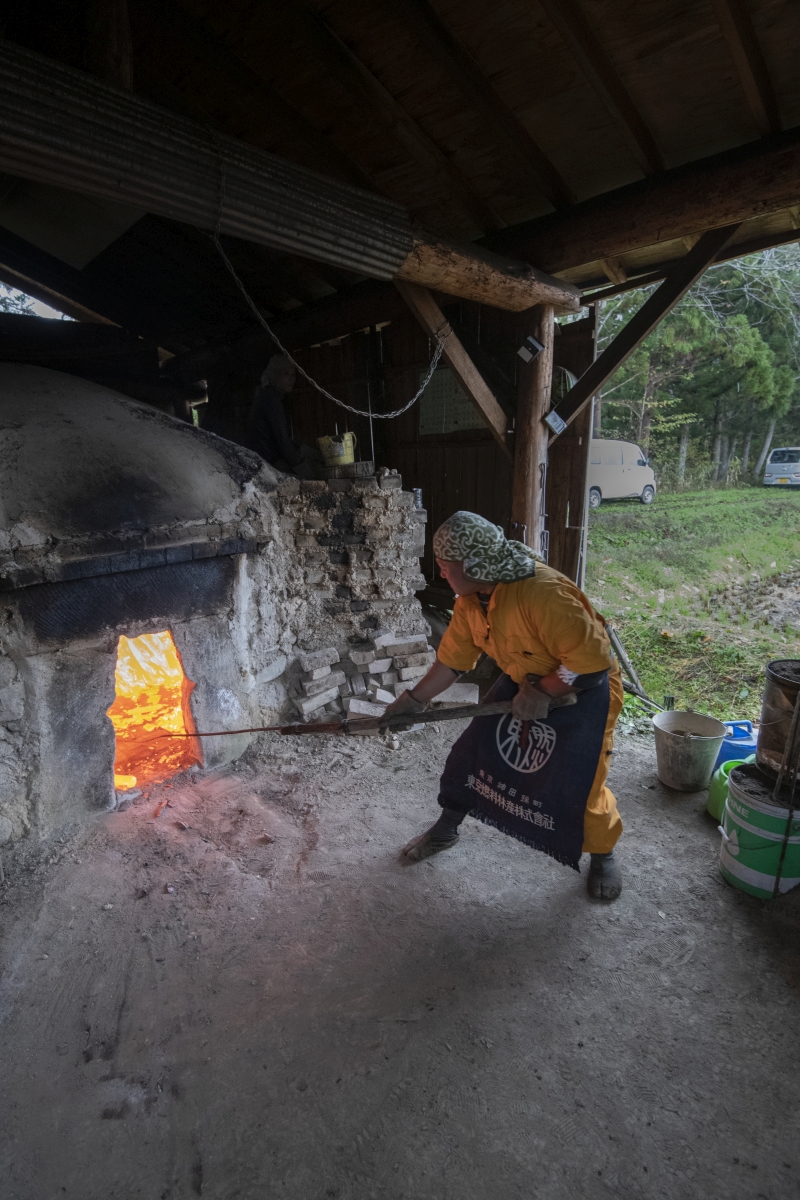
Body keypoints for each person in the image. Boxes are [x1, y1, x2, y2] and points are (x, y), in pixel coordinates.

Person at [381, 511, 624, 900]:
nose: (441, 575)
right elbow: (452, 662)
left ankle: (602, 853)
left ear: (474, 565)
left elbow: (591, 663)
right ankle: (446, 829)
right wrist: (413, 702)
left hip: (585, 690)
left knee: (580, 780)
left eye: (446, 568)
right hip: (525, 681)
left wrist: (544, 690)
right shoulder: (472, 601)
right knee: (472, 754)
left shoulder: (542, 594)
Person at [248, 354, 319, 479]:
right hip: (268, 461)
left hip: (266, 457)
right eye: (286, 374)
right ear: (274, 375)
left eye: (293, 375)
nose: (291, 379)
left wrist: (302, 450)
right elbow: (282, 441)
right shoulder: (271, 399)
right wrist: (304, 471)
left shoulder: (269, 395)